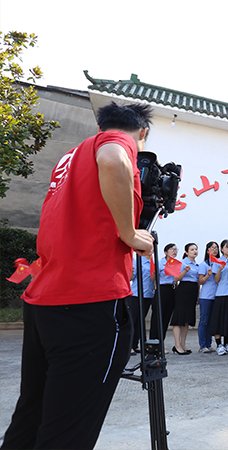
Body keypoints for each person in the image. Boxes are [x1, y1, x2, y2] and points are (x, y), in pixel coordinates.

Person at [1, 102, 154, 450]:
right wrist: (129, 233)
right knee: (68, 430)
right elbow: (114, 159)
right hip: (90, 301)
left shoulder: (71, 157)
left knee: (33, 412)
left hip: (45, 298)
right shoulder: (117, 142)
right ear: (142, 132)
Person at [171, 243, 200, 355]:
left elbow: (197, 281)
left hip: (193, 291)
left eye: (196, 249)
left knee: (187, 320)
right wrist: (185, 271)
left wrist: (197, 296)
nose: (195, 251)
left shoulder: (197, 265)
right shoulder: (182, 263)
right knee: (179, 318)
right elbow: (176, 278)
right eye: (192, 249)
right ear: (186, 252)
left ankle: (183, 344)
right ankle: (177, 345)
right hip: (183, 291)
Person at [209, 240, 228, 356]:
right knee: (218, 320)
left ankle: (227, 343)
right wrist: (219, 269)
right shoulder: (218, 261)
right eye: (226, 247)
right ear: (222, 249)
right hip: (221, 294)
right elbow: (216, 280)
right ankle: (219, 345)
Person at [197, 242, 223, 353]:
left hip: (217, 295)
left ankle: (209, 344)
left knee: (212, 321)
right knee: (204, 321)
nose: (214, 250)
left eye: (216, 248)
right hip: (206, 296)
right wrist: (208, 274)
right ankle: (202, 345)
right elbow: (200, 281)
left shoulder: (220, 263)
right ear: (207, 250)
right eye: (212, 248)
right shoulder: (204, 264)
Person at [129, 255, 156, 355]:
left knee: (140, 321)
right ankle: (129, 346)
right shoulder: (138, 261)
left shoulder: (153, 262)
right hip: (137, 294)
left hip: (148, 295)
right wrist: (131, 271)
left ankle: (135, 344)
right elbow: (131, 277)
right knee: (133, 320)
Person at [153, 243, 179, 342]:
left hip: (172, 289)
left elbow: (176, 279)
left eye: (176, 250)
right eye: (172, 249)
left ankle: (161, 342)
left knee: (166, 317)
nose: (174, 252)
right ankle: (154, 341)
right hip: (162, 289)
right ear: (166, 252)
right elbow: (154, 278)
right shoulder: (160, 263)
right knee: (158, 316)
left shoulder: (176, 263)